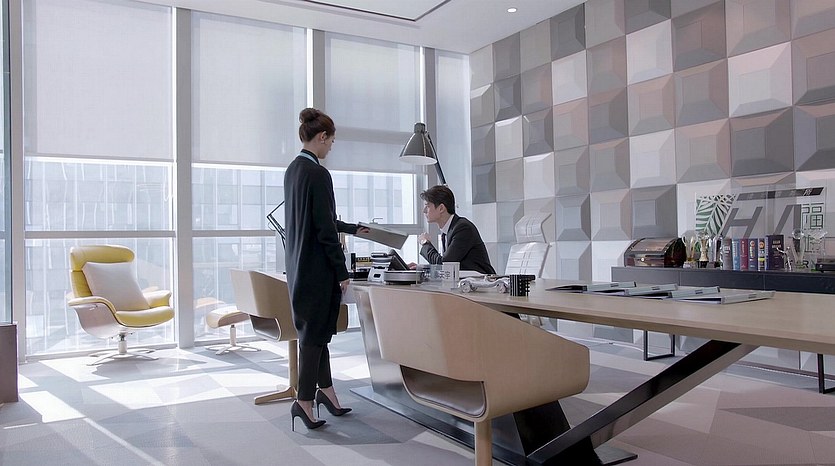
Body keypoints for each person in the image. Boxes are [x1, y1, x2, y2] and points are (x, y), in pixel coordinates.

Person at [284, 108, 369, 431]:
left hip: (298, 265)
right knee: (313, 338)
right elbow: (324, 230)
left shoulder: (293, 170)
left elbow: (319, 220)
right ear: (321, 137)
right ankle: (304, 401)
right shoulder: (319, 174)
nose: (331, 147)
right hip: (317, 270)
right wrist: (342, 272)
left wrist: (352, 227)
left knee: (316, 334)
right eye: (331, 141)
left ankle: (327, 393)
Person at [415, 185, 496, 274]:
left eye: (427, 206)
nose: (424, 210)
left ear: (441, 208)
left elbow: (445, 265)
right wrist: (421, 268)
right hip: (466, 281)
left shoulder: (463, 228)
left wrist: (425, 243)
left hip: (481, 281)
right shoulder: (447, 231)